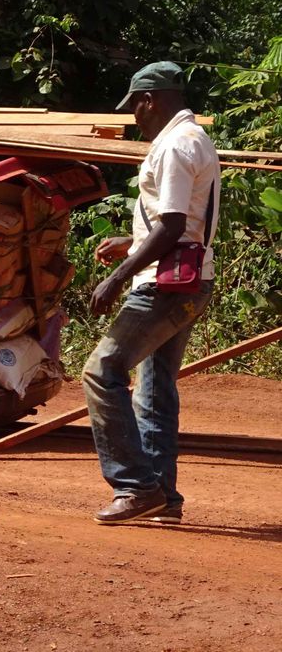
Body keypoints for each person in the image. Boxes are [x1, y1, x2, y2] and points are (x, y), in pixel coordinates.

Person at [83, 61, 220, 526]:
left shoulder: (177, 146)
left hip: (166, 285)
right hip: (189, 280)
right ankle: (162, 495)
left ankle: (135, 485)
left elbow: (175, 225)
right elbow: (180, 222)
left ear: (150, 100)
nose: (135, 119)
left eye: (136, 108)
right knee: (156, 387)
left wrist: (118, 275)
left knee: (102, 370)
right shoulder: (193, 139)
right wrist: (132, 241)